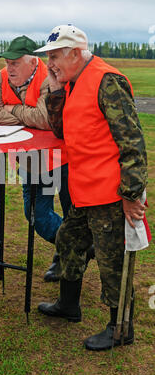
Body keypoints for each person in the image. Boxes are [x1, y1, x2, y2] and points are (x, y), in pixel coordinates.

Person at [34, 24, 148, 350]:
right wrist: (55, 90)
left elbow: (132, 143)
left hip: (110, 194)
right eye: (49, 57)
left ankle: (121, 329)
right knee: (69, 241)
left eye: (55, 56)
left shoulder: (106, 81)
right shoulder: (71, 83)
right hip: (83, 191)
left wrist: (130, 195)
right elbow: (61, 130)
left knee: (113, 263)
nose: (50, 63)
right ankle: (68, 305)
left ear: (75, 52)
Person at [0, 35, 72, 281]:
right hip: (32, 160)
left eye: (15, 62)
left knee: (72, 214)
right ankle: (77, 248)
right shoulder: (0, 78)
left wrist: (12, 109)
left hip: (65, 157)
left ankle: (66, 257)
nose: (9, 67)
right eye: (7, 62)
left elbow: (46, 120)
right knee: (37, 216)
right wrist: (28, 115)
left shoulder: (48, 77)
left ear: (33, 62)